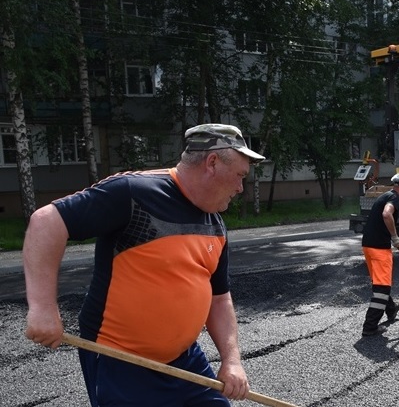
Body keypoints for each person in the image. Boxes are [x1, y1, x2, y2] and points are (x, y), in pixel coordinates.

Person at [24, 123, 265, 406]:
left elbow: (219, 298)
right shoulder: (133, 193)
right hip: (122, 362)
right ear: (212, 162)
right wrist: (42, 308)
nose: (239, 188)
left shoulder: (214, 223)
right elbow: (46, 222)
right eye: (239, 176)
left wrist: (232, 361)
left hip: (185, 361)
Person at [360, 171, 399, 336]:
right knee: (382, 287)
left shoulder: (386, 195)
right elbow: (386, 214)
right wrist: (396, 239)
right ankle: (370, 326)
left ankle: (391, 309)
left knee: (379, 282)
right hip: (379, 248)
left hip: (368, 245)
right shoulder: (394, 198)